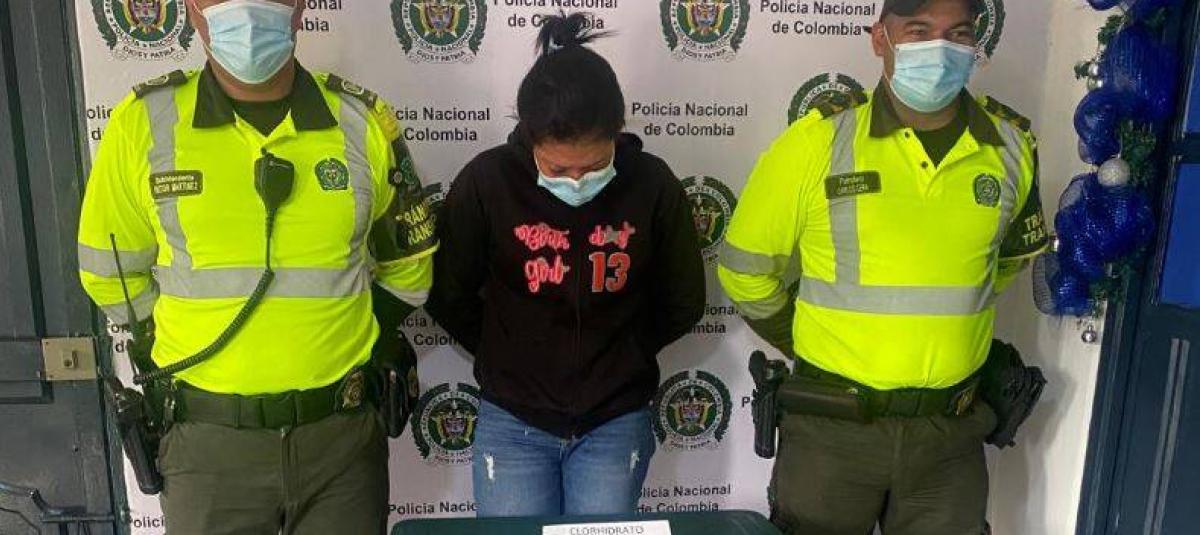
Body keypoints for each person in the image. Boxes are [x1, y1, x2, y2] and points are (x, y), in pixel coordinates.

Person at [76, 0, 436, 533]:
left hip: (341, 443)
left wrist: (342, 339)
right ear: (192, 9)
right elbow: (109, 273)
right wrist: (182, 342)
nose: (243, 8)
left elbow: (410, 268)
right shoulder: (142, 123)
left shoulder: (362, 120)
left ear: (301, 7)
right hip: (207, 445)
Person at [718, 0, 1049, 533]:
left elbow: (1004, 267)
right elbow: (743, 270)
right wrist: (806, 340)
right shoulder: (816, 142)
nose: (939, 49)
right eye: (918, 31)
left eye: (958, 33)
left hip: (950, 436)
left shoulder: (1011, 146)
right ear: (879, 39)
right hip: (833, 431)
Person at [425, 13, 706, 518]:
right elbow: (449, 294)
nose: (576, 181)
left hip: (615, 421)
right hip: (512, 420)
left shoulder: (653, 184)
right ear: (529, 137)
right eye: (557, 168)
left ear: (617, 132)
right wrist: (507, 351)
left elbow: (683, 299)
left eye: (594, 166)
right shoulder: (488, 181)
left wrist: (624, 353)